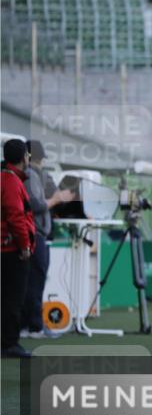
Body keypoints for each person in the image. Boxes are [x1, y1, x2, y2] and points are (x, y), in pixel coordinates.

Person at [22, 140, 72, 338]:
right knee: (35, 282)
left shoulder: (31, 175)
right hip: (35, 234)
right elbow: (36, 205)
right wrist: (58, 200)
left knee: (31, 282)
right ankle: (33, 327)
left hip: (34, 234)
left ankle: (29, 325)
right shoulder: (31, 175)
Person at [1, 139, 37, 358]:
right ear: (24, 157)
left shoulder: (6, 178)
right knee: (13, 299)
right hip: (11, 251)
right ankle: (9, 344)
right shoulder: (12, 182)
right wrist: (24, 246)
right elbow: (16, 217)